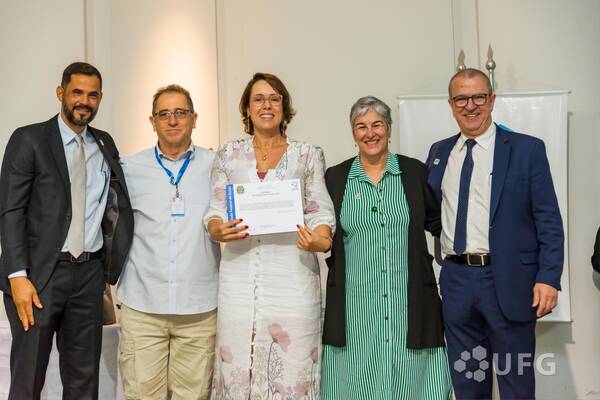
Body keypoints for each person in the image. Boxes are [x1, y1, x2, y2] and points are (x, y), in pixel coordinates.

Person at [426, 68, 564, 399]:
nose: (470, 105)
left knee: (516, 385)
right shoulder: (439, 152)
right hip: (457, 282)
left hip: (509, 281)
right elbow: (434, 212)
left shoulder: (526, 149)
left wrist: (549, 278)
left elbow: (548, 219)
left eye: (478, 97)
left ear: (491, 100)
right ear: (451, 104)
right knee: (468, 385)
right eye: (461, 98)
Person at [0, 62, 133, 399]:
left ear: (100, 98)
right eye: (77, 92)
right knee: (28, 379)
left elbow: (114, 206)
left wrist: (107, 270)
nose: (84, 101)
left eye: (93, 95)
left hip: (88, 276)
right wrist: (17, 276)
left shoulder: (104, 143)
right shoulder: (29, 139)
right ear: (61, 92)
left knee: (83, 383)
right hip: (38, 278)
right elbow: (11, 211)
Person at [204, 72, 335, 399]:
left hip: (292, 280)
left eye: (274, 99)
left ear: (284, 107)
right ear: (247, 108)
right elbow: (215, 209)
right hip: (238, 283)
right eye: (258, 99)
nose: (267, 105)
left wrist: (320, 239)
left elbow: (320, 211)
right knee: (238, 369)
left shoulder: (307, 154)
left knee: (291, 371)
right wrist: (217, 228)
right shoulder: (229, 153)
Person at [320, 96, 452, 400]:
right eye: (361, 126)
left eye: (377, 124)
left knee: (415, 383)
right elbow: (322, 228)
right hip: (355, 308)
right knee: (355, 383)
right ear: (353, 133)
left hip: (410, 304)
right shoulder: (336, 178)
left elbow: (439, 223)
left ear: (389, 129)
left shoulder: (415, 173)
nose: (370, 133)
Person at [116, 84, 220, 399]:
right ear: (153, 121)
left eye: (180, 113)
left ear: (194, 118)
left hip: (199, 309)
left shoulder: (217, 166)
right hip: (143, 307)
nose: (172, 120)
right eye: (164, 114)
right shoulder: (129, 169)